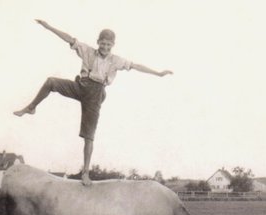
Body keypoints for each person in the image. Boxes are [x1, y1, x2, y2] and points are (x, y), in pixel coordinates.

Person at [14, 19, 173, 185]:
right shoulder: (87, 51)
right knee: (51, 82)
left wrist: (158, 73)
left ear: (113, 45)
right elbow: (69, 38)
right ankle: (31, 108)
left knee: (89, 136)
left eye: (108, 45)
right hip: (80, 86)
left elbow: (136, 66)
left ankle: (85, 173)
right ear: (98, 42)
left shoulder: (116, 60)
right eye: (102, 43)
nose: (105, 47)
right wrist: (48, 27)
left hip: (95, 95)